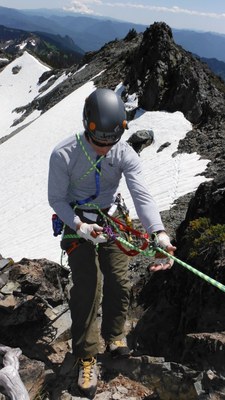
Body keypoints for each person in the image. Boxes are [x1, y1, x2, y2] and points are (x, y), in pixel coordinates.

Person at [48, 88, 176, 399]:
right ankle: (87, 355)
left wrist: (158, 232)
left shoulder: (124, 153)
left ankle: (115, 335)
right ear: (87, 125)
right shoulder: (63, 154)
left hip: (109, 219)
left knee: (119, 278)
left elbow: (140, 193)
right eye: (99, 142)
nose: (105, 148)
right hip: (75, 221)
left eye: (111, 141)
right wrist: (80, 226)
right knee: (88, 284)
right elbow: (56, 199)